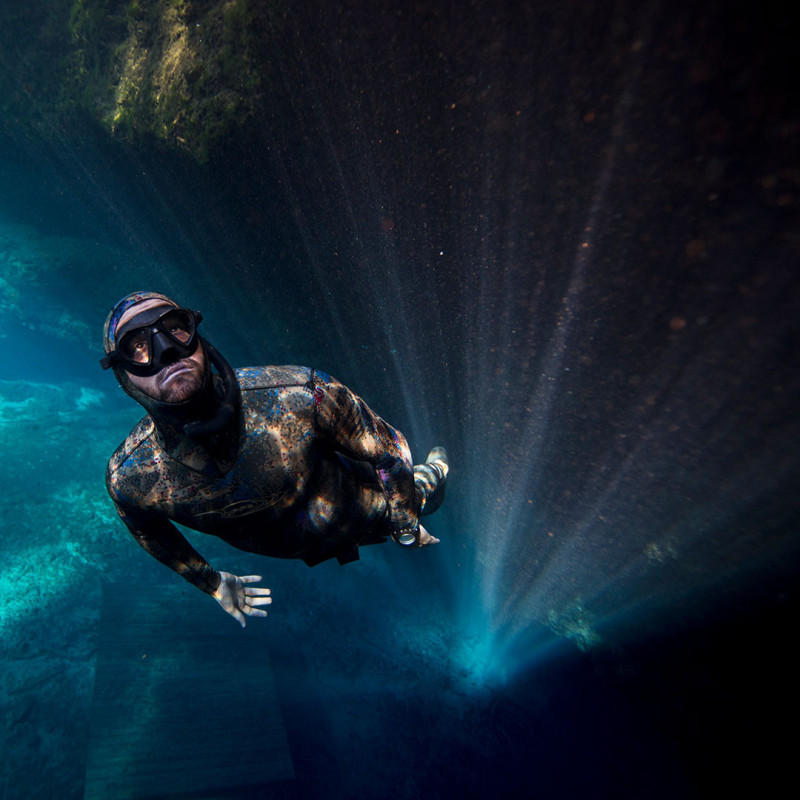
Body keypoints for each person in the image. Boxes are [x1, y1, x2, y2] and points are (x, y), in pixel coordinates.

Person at [101, 291, 448, 627]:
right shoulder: (131, 478)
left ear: (197, 332)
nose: (167, 352)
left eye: (176, 328)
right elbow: (148, 531)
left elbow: (388, 452)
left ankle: (438, 467)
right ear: (122, 375)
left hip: (374, 510)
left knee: (427, 496)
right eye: (138, 346)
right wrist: (213, 583)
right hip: (304, 548)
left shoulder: (302, 393)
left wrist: (404, 523)